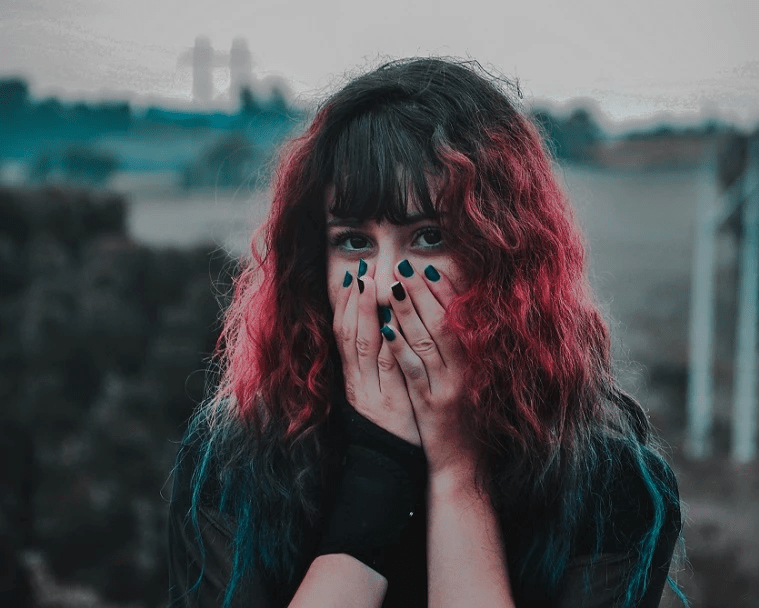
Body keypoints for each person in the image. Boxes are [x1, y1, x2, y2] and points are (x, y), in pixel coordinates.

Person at [167, 57, 684, 608]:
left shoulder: (607, 485)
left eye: (429, 237)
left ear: (502, 259)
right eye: (354, 242)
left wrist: (458, 473)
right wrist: (378, 474)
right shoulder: (237, 464)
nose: (383, 284)